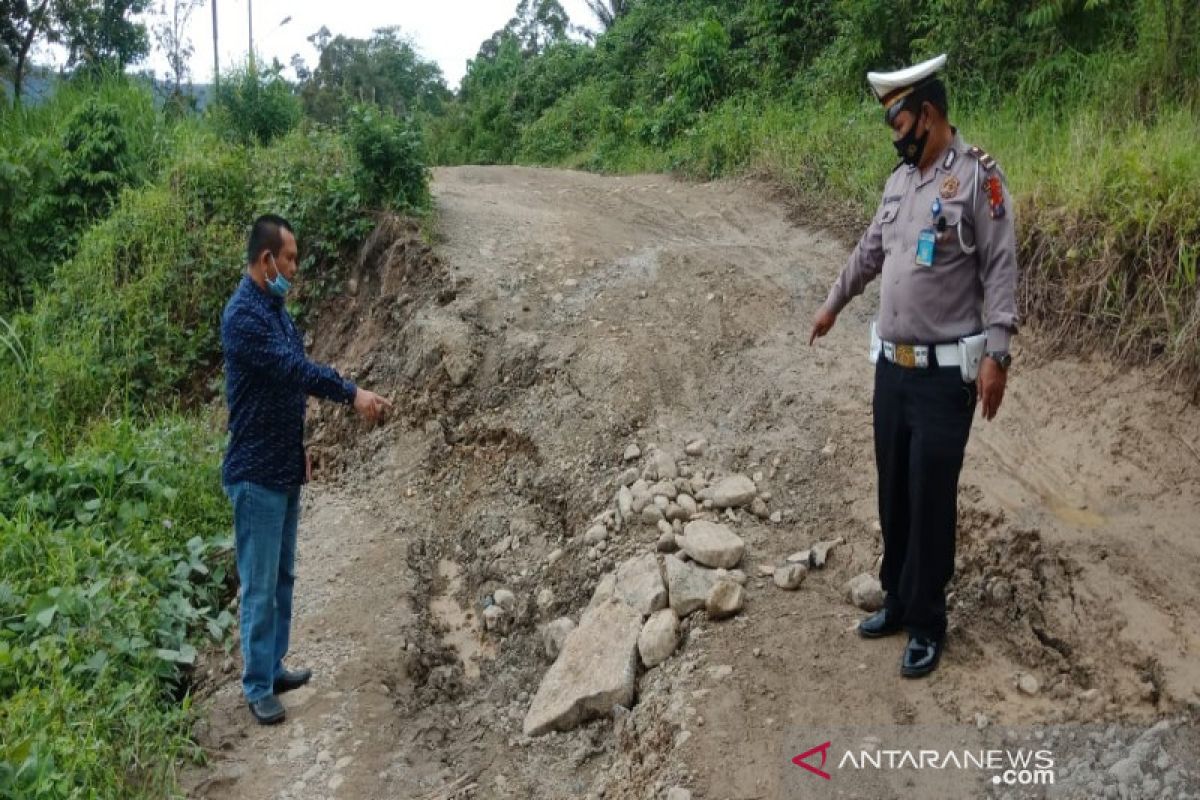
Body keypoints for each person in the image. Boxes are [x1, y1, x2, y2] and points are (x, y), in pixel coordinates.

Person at [809, 55, 1018, 677]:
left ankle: (928, 621)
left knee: (930, 498)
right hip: (891, 370)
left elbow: (1001, 268)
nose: (894, 137)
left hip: (943, 377)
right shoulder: (899, 184)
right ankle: (897, 600)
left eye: (898, 124)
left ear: (927, 115)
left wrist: (999, 353)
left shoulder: (978, 178)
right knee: (894, 491)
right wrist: (831, 304)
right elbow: (869, 251)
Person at [221, 214, 392, 724]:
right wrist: (351, 393)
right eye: (290, 258)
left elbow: (288, 387)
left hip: (283, 465)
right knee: (258, 581)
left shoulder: (274, 309)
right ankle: (255, 685)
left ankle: (272, 667)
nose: (295, 268)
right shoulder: (244, 316)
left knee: (282, 576)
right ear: (266, 258)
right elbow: (295, 370)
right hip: (255, 473)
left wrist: (302, 450)